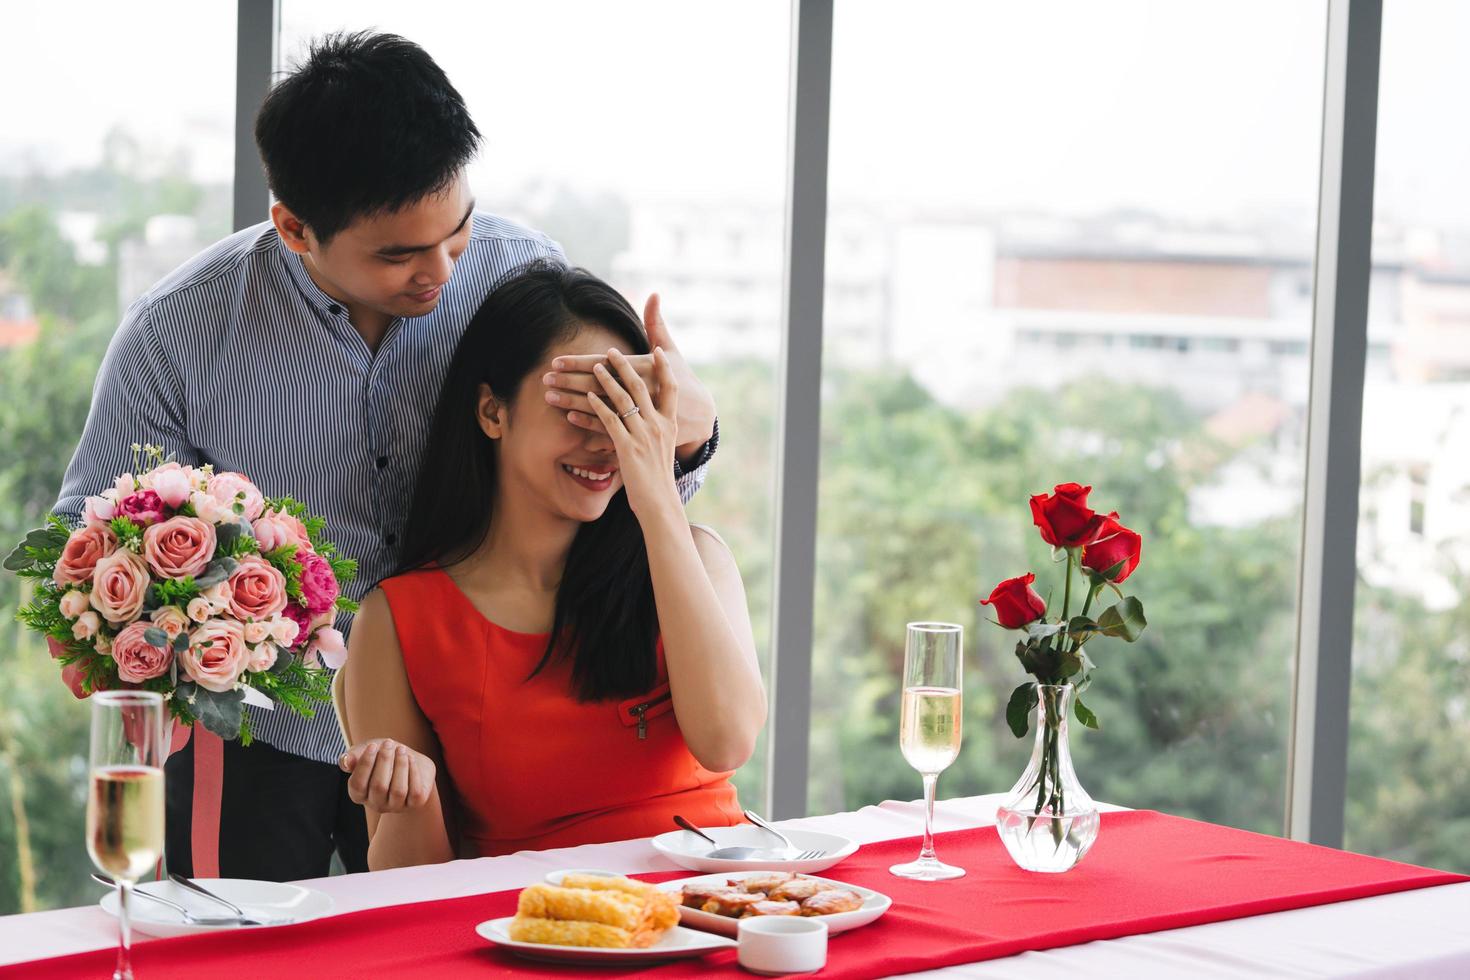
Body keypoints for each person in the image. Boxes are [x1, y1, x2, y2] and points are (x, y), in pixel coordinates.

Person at [54, 32, 719, 881]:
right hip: (262, 732)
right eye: (399, 254)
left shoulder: (522, 278)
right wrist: (182, 628)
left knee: (436, 950)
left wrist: (692, 435)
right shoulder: (179, 331)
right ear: (294, 225)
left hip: (468, 728)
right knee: (238, 961)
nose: (440, 271)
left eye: (458, 232)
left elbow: (604, 466)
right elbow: (83, 537)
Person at [336, 262, 764, 869]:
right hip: (536, 931)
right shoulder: (399, 619)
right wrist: (410, 798)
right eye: (578, 408)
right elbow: (413, 889)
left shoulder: (694, 557)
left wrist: (657, 500)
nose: (603, 441)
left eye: (624, 410)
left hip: (712, 903)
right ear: (492, 412)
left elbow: (727, 742)